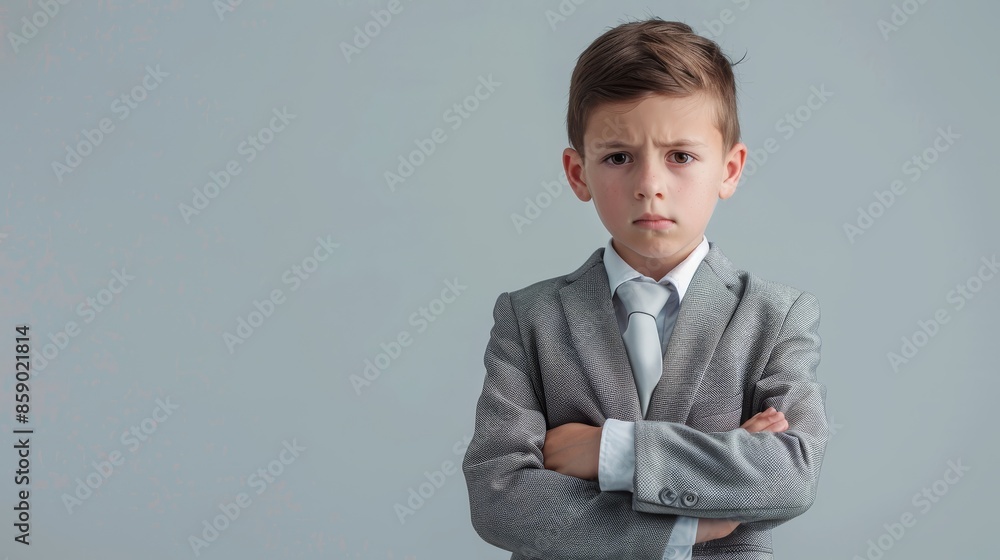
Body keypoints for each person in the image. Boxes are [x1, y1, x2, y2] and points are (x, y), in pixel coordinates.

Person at [462, 17, 829, 560]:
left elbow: (789, 476)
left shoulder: (777, 316)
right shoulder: (528, 317)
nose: (649, 185)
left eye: (681, 156)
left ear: (729, 170)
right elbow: (499, 498)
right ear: (578, 173)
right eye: (618, 157)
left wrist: (610, 451)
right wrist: (687, 524)